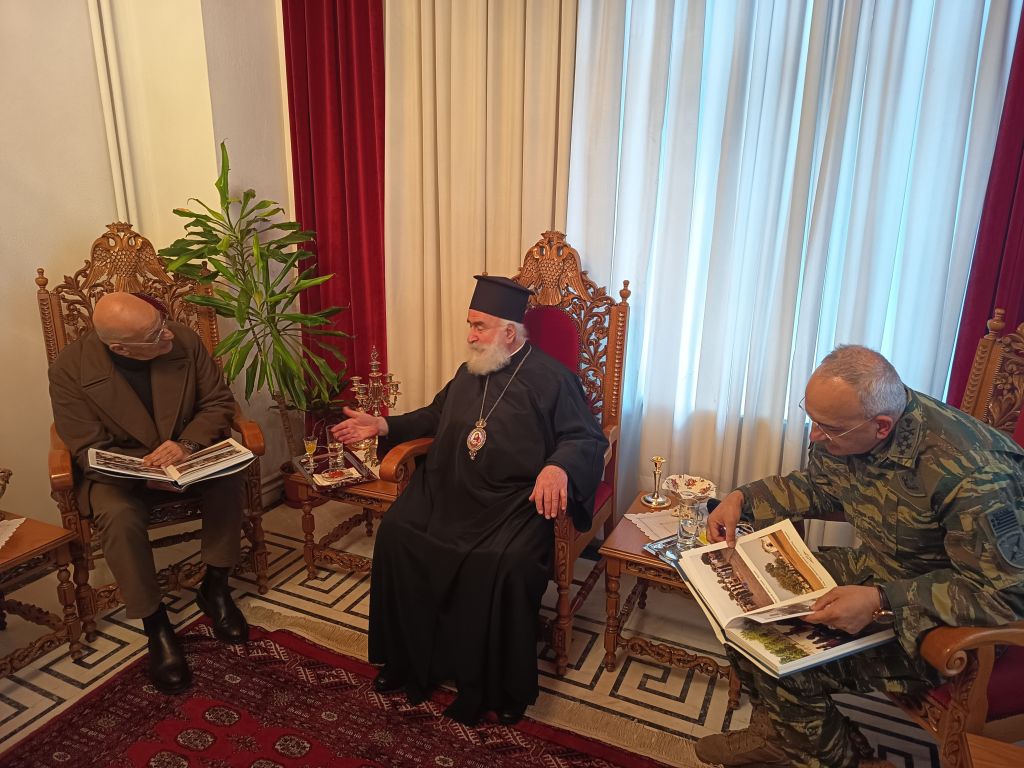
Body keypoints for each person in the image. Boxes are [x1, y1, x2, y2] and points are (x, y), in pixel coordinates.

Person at [695, 345, 1024, 768]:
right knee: (742, 607)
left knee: (782, 654)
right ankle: (782, 735)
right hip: (882, 570)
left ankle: (839, 758)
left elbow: (1004, 595)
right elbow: (821, 485)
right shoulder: (849, 426)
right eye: (812, 419)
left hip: (942, 615)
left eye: (827, 429)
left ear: (882, 426)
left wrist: (881, 600)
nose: (814, 436)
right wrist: (743, 498)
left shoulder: (972, 472)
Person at [331, 275, 608, 725]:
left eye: (479, 326)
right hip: (450, 486)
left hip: (512, 501)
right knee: (398, 533)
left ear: (509, 333)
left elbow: (586, 437)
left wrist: (559, 466)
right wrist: (384, 425)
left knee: (507, 562)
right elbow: (435, 415)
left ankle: (498, 685)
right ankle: (407, 660)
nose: (470, 336)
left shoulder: (555, 380)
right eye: (470, 325)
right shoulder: (470, 371)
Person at [48, 292, 249, 694]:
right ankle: (155, 622)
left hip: (186, 455)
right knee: (118, 515)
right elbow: (86, 445)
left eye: (162, 323)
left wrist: (187, 445)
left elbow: (218, 403)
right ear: (120, 347)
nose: (168, 335)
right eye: (156, 335)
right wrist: (144, 472)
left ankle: (215, 586)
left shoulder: (182, 339)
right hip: (122, 474)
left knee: (228, 478)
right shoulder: (69, 369)